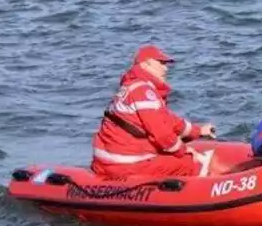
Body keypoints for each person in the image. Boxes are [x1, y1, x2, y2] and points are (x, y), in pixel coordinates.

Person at [91, 44, 216, 178]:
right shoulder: (144, 91)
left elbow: (167, 120)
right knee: (193, 163)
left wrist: (198, 131)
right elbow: (162, 134)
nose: (166, 68)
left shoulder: (131, 87)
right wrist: (184, 150)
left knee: (178, 154)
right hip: (125, 164)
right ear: (146, 65)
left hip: (105, 161)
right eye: (161, 63)